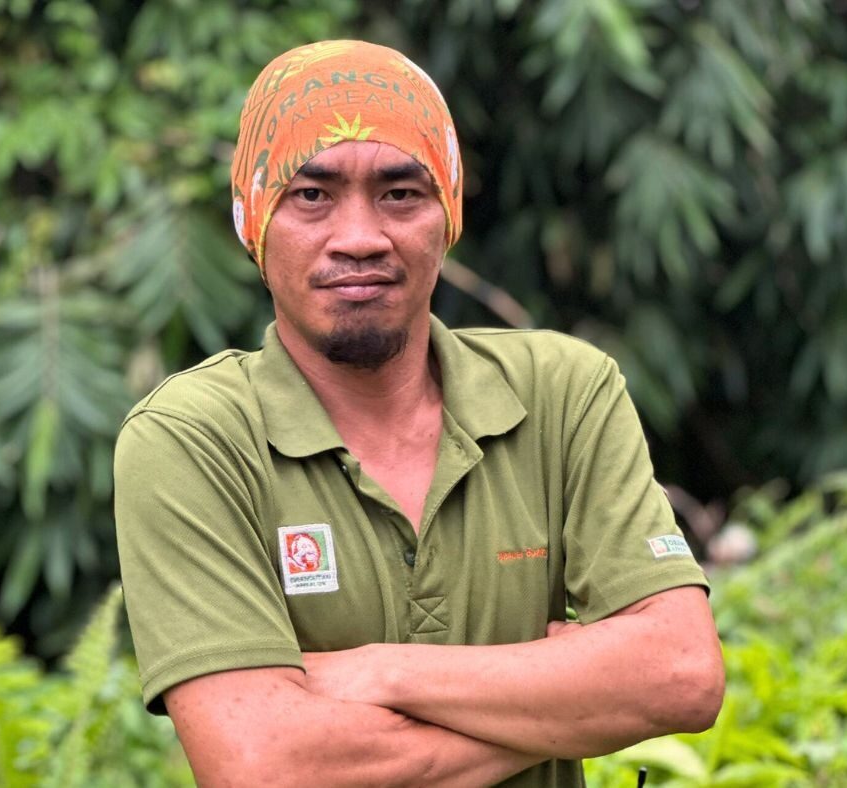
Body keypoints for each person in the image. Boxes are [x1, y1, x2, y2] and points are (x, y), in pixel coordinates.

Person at [114, 39, 724, 787]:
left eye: (401, 193)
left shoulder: (563, 392)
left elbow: (682, 673)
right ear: (255, 223)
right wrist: (567, 695)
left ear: (448, 215)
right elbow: (264, 767)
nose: (361, 238)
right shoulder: (193, 439)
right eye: (312, 195)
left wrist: (382, 672)